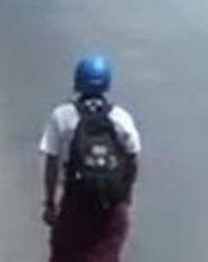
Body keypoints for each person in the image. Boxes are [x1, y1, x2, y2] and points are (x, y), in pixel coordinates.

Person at [39, 54, 141, 262]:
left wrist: (50, 203)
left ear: (77, 81)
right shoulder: (121, 117)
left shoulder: (62, 116)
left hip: (75, 204)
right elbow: (133, 158)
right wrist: (125, 196)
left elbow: (52, 163)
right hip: (111, 207)